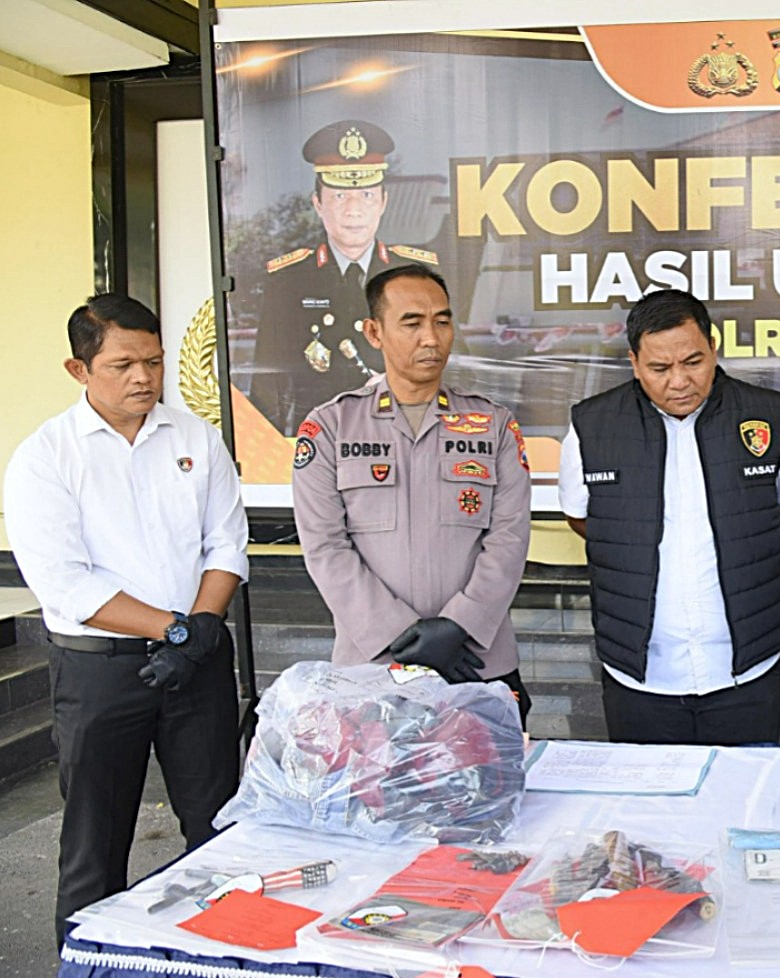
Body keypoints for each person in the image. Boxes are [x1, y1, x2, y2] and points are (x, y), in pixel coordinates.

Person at [3, 295, 247, 949]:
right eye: (122, 365)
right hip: (101, 673)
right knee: (96, 841)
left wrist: (198, 629)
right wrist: (174, 628)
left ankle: (216, 955)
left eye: (154, 362)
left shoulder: (195, 438)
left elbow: (225, 544)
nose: (143, 377)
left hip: (196, 664)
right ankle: (85, 959)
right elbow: (66, 582)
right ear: (78, 369)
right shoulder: (45, 457)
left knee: (219, 829)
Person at [557, 289, 780, 746]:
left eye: (693, 362)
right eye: (660, 368)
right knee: (647, 793)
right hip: (640, 674)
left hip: (746, 669)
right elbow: (583, 519)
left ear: (713, 348)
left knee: (744, 786)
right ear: (634, 364)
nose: (679, 381)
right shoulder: (592, 427)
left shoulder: (766, 417)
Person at [292, 264, 531, 724]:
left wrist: (459, 625)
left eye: (442, 321)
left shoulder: (493, 424)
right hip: (375, 667)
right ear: (373, 333)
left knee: (487, 773)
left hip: (476, 663)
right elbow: (325, 547)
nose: (431, 338)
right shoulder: (331, 427)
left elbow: (510, 537)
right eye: (412, 323)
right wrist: (401, 634)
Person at [249, 119, 441, 435]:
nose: (354, 210)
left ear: (383, 202)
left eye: (366, 195)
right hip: (321, 444)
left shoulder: (417, 276)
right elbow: (268, 387)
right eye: (339, 196)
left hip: (405, 439)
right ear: (318, 204)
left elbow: (454, 367)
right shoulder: (289, 281)